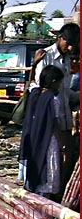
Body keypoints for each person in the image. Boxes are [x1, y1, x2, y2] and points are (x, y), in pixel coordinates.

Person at [32, 23, 80, 198]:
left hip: (64, 116)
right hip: (50, 119)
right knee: (49, 158)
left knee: (62, 159)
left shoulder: (67, 58)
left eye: (75, 44)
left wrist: (77, 96)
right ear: (61, 38)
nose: (71, 48)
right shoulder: (46, 56)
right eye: (69, 43)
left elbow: (65, 90)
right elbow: (41, 87)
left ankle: (57, 195)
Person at [19, 65, 68, 201]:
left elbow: (31, 82)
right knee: (47, 172)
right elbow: (55, 124)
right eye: (59, 82)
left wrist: (34, 64)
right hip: (48, 140)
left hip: (34, 140)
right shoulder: (53, 99)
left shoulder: (35, 94)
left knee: (36, 170)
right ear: (54, 81)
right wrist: (62, 145)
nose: (60, 85)